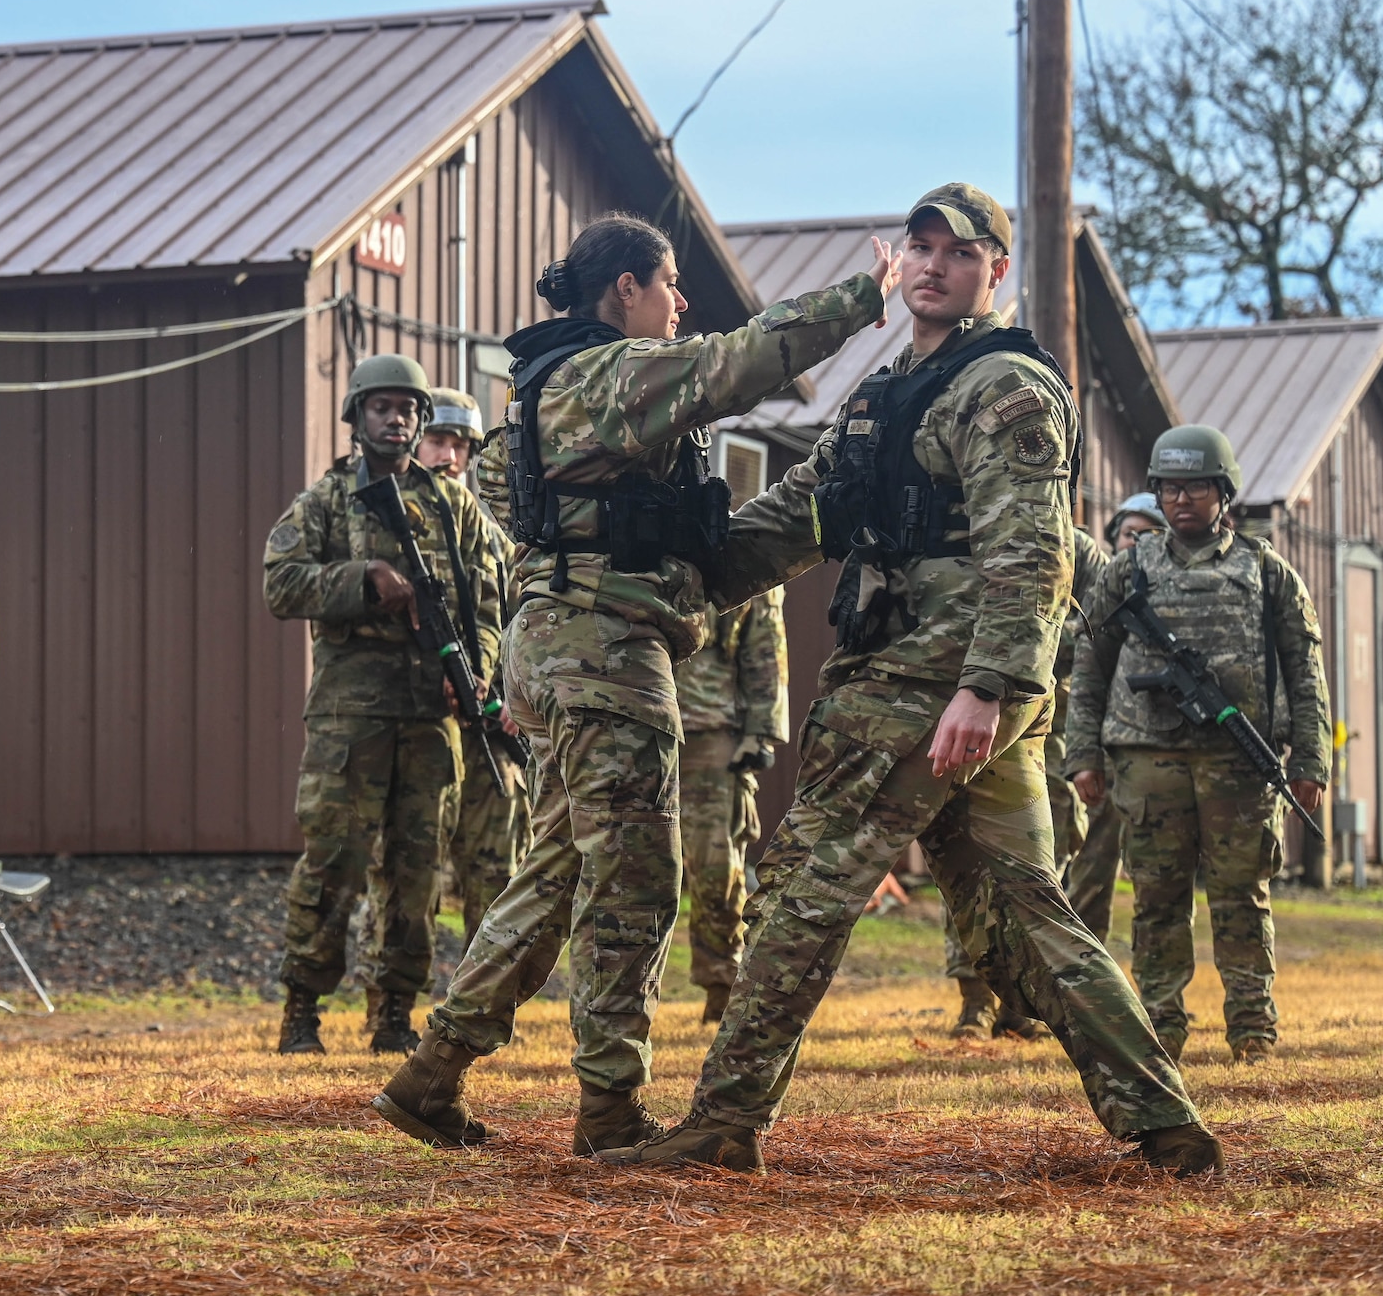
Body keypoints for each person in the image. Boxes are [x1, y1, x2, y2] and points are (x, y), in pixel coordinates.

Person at [597, 185, 1221, 1176]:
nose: (931, 266)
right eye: (919, 248)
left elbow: (1029, 553)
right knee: (1020, 905)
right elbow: (806, 510)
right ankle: (1166, 1125)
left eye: (956, 252)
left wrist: (986, 684)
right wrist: (666, 577)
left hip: (939, 672)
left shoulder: (1005, 385)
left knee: (803, 877)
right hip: (937, 673)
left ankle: (721, 1123)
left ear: (994, 272)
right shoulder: (892, 388)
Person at [371, 212, 895, 1157]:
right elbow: (735, 364)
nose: (681, 306)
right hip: (604, 658)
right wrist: (865, 298)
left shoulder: (544, 394)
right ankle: (610, 1108)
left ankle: (430, 1073)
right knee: (637, 884)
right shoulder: (608, 373)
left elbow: (670, 552)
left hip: (568, 647)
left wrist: (824, 499)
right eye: (669, 286)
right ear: (625, 290)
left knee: (559, 871)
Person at [263, 356, 504, 1056]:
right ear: (356, 417)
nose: (395, 419)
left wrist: (476, 672)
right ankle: (302, 1009)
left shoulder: (453, 505)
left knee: (416, 871)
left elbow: (485, 602)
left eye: (407, 408)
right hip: (349, 716)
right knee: (333, 862)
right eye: (381, 407)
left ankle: (394, 1011)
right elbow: (279, 583)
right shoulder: (327, 500)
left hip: (430, 717)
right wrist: (359, 579)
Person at [1068, 426, 1328, 1065]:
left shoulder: (1266, 570)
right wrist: (1082, 757)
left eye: (1198, 488)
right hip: (1145, 761)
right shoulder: (1129, 569)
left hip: (1239, 763)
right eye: (1172, 488)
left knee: (1243, 895)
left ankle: (1252, 1028)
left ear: (1224, 493)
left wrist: (1312, 756)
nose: (1183, 500)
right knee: (1157, 900)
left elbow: (1304, 666)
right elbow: (1090, 663)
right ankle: (1161, 1025)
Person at [943, 519, 1106, 1040]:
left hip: (1045, 726)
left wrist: (1041, 652)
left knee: (1040, 869)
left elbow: (1108, 640)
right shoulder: (965, 529)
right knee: (967, 865)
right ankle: (975, 1003)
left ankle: (1028, 1004)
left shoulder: (1080, 551)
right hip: (967, 714)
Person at [414, 388, 530, 943]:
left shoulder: (494, 538)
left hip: (489, 729)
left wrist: (514, 699)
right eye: (437, 442)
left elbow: (525, 626)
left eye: (461, 447)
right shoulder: (395, 529)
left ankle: (482, 1006)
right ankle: (392, 1014)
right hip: (419, 724)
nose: (450, 458)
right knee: (413, 873)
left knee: (496, 872)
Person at [675, 588, 787, 1024]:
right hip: (642, 718)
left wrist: (761, 732)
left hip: (713, 728)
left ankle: (721, 983)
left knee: (717, 865)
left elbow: (765, 643)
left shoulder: (738, 533)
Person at [1060, 491, 1166, 940]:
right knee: (1082, 865)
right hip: (1094, 750)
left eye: (1149, 536)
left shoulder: (1179, 594)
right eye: (1129, 534)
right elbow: (1075, 663)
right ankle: (1076, 975)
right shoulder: (1101, 590)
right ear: (1114, 538)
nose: (1137, 545)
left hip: (1156, 754)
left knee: (1152, 879)